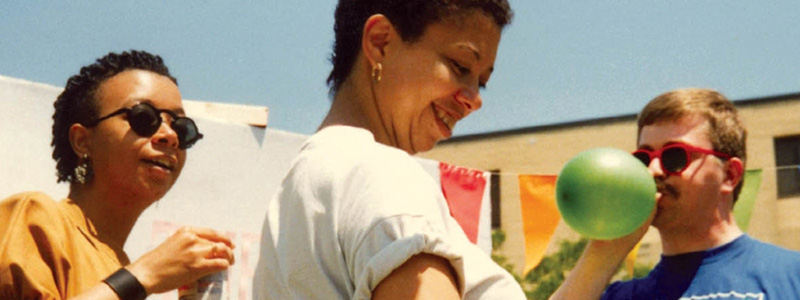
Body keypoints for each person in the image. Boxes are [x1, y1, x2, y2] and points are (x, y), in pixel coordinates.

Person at [253, 0, 524, 299]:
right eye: (460, 67)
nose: (474, 100)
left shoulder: (297, 196)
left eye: (481, 83)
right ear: (380, 42)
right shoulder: (381, 173)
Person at [0, 50, 235, 299]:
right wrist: (144, 274)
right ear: (82, 141)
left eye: (181, 127)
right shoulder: (35, 217)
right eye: (143, 117)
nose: (170, 136)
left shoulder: (126, 273)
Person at [550, 88, 800, 299]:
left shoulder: (792, 275)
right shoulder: (624, 296)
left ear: (729, 175)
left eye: (675, 156)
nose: (653, 170)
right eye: (643, 158)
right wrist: (603, 251)